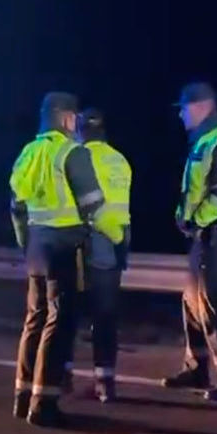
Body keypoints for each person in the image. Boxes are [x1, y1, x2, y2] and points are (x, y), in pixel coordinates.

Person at [9, 91, 104, 427]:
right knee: (59, 321)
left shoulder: (28, 153)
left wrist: (26, 245)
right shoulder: (71, 152)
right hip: (64, 245)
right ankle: (44, 402)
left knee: (34, 318)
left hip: (35, 244)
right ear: (67, 118)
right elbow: (93, 202)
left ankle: (22, 397)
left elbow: (17, 206)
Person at [162, 81, 217, 401]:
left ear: (201, 107)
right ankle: (197, 368)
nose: (181, 115)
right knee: (191, 302)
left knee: (211, 304)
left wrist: (194, 219)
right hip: (204, 234)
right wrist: (182, 216)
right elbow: (193, 191)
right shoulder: (203, 143)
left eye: (184, 109)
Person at [77, 108, 132, 403]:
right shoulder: (119, 159)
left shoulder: (79, 157)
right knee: (106, 316)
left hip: (88, 240)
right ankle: (105, 383)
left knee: (69, 311)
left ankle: (61, 377)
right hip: (116, 241)